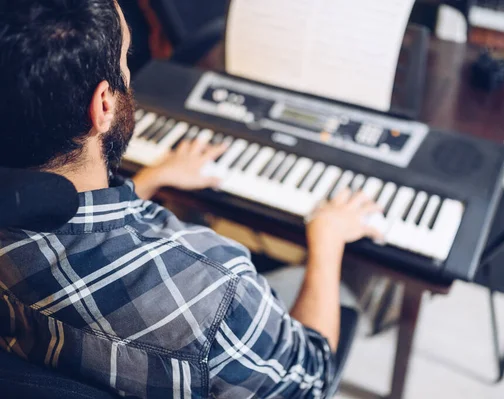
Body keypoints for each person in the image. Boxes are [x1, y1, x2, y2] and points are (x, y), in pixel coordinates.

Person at [0, 1, 382, 398]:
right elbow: (313, 378)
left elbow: (67, 232)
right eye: (126, 59)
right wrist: (327, 241)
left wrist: (153, 178)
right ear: (103, 105)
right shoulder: (215, 290)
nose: (129, 74)